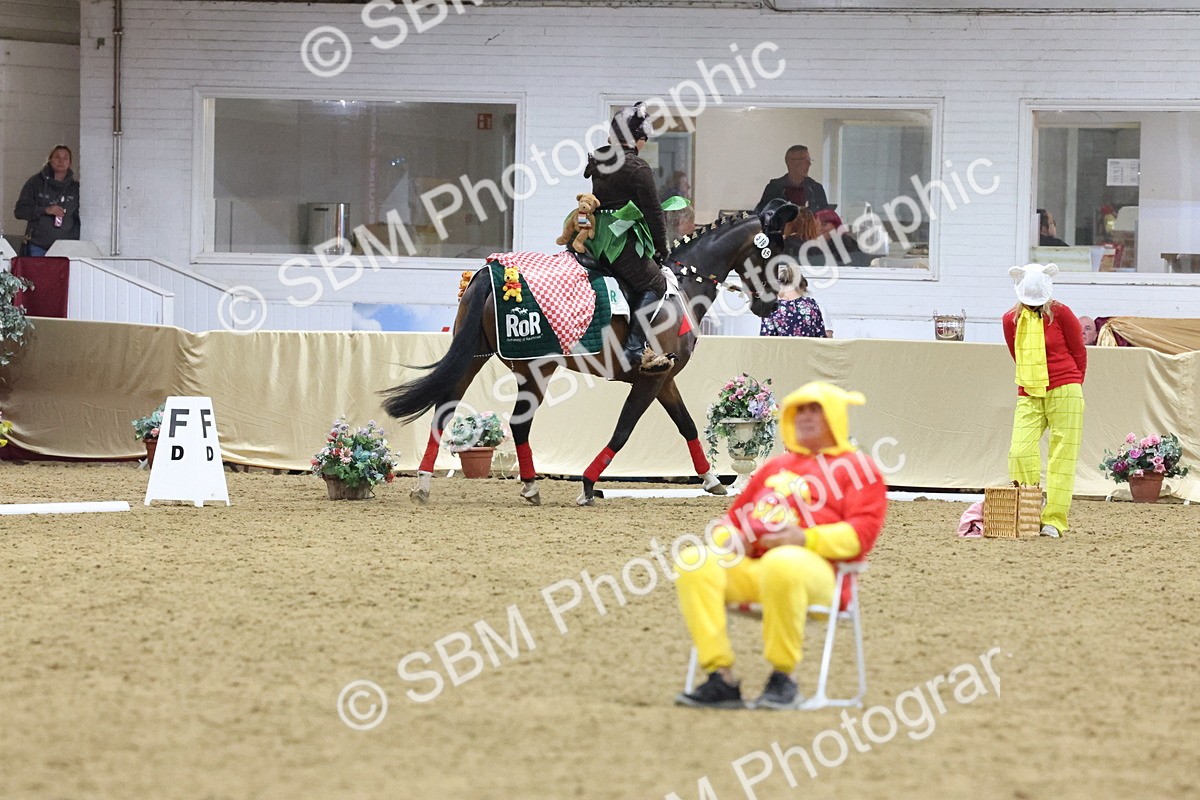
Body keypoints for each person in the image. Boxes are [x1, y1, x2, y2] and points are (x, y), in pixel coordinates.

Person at [674, 381, 888, 709]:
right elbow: (730, 521)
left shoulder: (860, 469)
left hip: (822, 577)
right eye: (798, 409)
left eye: (814, 409)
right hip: (759, 569)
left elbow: (860, 535)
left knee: (784, 560)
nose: (804, 416)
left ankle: (783, 677)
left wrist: (805, 538)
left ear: (835, 415)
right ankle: (720, 677)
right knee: (696, 560)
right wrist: (731, 538)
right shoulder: (775, 467)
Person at [584, 103, 673, 373]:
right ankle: (634, 348)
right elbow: (654, 212)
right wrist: (662, 246)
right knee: (656, 282)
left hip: (595, 235)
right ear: (639, 139)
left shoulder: (598, 160)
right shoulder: (637, 167)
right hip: (618, 240)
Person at [1002, 263, 1087, 539]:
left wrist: (1071, 383)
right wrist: (1034, 380)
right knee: (1019, 450)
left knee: (1062, 457)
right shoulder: (1009, 320)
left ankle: (1055, 520)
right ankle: (1030, 500)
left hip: (1065, 389)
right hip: (1029, 391)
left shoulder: (1062, 314)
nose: (1034, 307)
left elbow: (1079, 352)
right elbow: (1017, 356)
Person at [14, 145, 80, 257]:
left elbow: (78, 218)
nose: (61, 161)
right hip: (38, 246)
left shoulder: (75, 188)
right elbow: (20, 211)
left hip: (65, 249)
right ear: (50, 160)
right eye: (57, 157)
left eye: (65, 158)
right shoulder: (35, 183)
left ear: (70, 163)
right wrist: (45, 210)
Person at [755, 145, 829, 215]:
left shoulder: (815, 188)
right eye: (804, 160)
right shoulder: (774, 188)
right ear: (790, 163)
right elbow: (760, 215)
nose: (809, 164)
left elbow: (827, 218)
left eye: (809, 160)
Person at [759, 264, 827, 338]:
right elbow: (821, 339)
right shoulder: (812, 306)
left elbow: (766, 342)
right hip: (807, 349)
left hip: (782, 349)